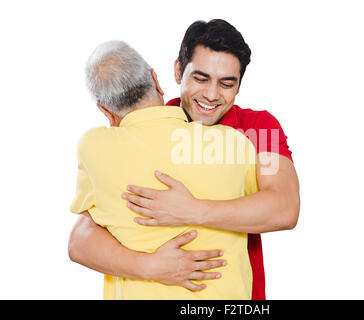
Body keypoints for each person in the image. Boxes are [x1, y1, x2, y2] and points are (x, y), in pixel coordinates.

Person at [69, 19, 300, 300]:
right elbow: (81, 239)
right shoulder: (142, 128)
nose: (212, 95)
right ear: (178, 71)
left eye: (227, 83)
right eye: (200, 79)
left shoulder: (257, 129)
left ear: (239, 86)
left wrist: (193, 210)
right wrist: (150, 267)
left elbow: (284, 208)